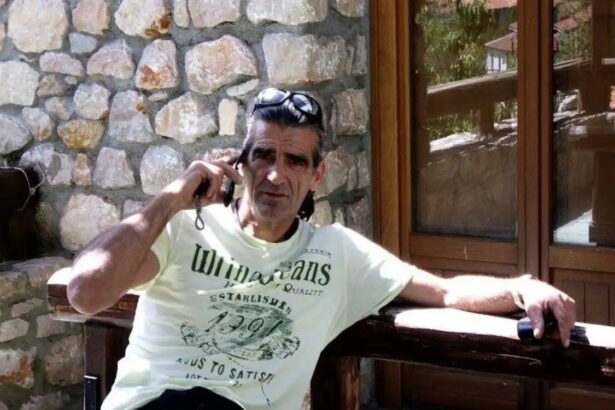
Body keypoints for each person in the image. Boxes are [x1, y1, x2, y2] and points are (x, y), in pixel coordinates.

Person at [68, 88, 576, 410]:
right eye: (263, 155)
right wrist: (174, 196)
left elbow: (445, 292)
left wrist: (520, 287)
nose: (275, 175)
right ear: (240, 164)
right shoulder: (183, 229)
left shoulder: (337, 254)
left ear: (316, 176)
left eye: (294, 161)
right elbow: (84, 293)